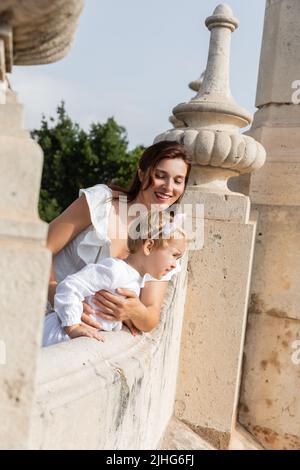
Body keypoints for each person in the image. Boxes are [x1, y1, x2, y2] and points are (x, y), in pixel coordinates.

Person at [46, 140, 192, 337]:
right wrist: (60, 298)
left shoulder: (166, 236)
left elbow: (150, 315)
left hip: (81, 339)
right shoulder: (101, 201)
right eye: (160, 176)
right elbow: (40, 248)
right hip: (40, 312)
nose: (168, 187)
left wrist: (132, 311)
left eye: (178, 180)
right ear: (142, 173)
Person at [42, 211, 187, 347]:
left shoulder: (135, 280)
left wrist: (122, 321)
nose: (175, 265)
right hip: (59, 335)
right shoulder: (115, 270)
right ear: (149, 246)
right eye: (174, 256)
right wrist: (72, 326)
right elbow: (70, 286)